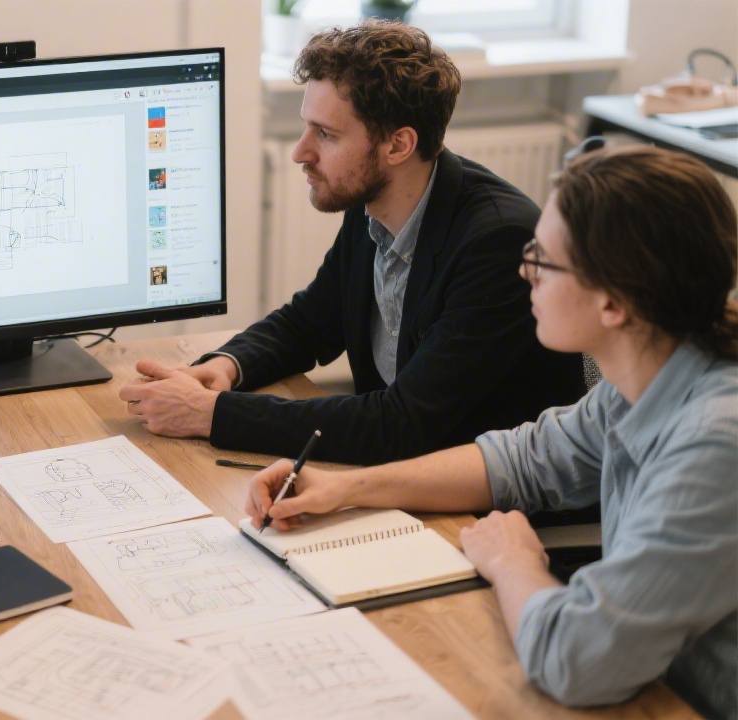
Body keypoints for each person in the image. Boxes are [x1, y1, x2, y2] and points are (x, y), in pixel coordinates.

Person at [245, 145, 737, 718]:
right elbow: (519, 459)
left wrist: (513, 561)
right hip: (649, 681)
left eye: (545, 261)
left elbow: (576, 661)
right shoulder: (650, 377)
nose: (525, 270)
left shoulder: (713, 445)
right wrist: (343, 489)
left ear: (614, 303)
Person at [121, 21, 584, 464]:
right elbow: (310, 322)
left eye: (326, 134)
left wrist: (210, 414)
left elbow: (402, 423)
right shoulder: (376, 203)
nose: (300, 152)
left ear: (398, 146)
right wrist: (228, 365)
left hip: (486, 511)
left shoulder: (498, 242)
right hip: (405, 474)